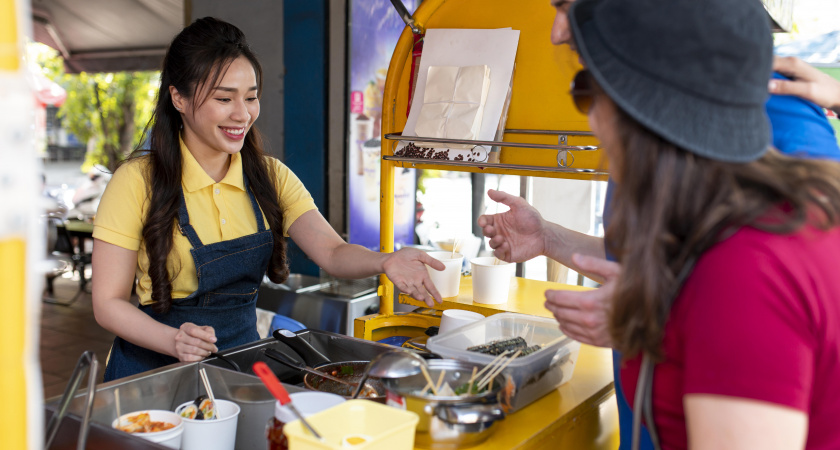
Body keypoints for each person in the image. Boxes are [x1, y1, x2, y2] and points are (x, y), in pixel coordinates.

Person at [480, 2, 840, 449]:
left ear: (647, 100)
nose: (589, 120)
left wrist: (652, 325)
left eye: (588, 89)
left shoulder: (743, 270)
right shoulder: (728, 205)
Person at [92, 17, 445, 381]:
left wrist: (385, 261)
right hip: (152, 373)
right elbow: (107, 303)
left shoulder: (270, 177)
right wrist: (173, 340)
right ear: (178, 97)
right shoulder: (137, 181)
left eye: (251, 97)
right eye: (224, 98)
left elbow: (333, 253)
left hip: (240, 369)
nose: (242, 114)